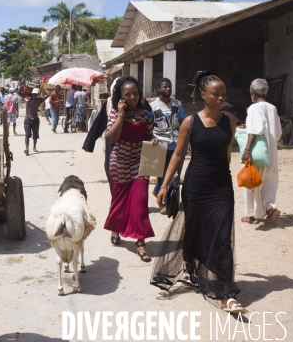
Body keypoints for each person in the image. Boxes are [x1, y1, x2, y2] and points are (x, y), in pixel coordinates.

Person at [153, 71, 246, 314]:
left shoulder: (230, 122)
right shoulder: (190, 122)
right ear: (203, 94)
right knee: (194, 232)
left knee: (223, 238)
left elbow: (226, 156)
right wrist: (165, 185)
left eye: (223, 94)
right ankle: (192, 271)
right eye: (216, 94)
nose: (221, 98)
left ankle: (227, 294)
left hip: (221, 188)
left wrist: (221, 179)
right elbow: (177, 154)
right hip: (195, 186)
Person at [104, 76, 156, 262]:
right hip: (119, 162)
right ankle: (115, 228)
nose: (133, 97)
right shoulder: (114, 113)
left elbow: (149, 134)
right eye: (128, 94)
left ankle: (140, 242)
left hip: (140, 162)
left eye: (135, 93)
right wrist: (120, 114)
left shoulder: (145, 114)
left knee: (140, 200)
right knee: (120, 201)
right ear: (121, 97)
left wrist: (153, 140)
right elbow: (112, 137)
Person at [239, 79, 282, 225]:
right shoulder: (272, 108)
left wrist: (246, 149)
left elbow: (254, 131)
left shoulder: (253, 108)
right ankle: (270, 207)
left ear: (252, 91)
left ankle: (252, 216)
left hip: (257, 152)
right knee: (268, 181)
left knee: (251, 180)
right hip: (271, 152)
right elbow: (277, 133)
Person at [150, 78, 186, 213]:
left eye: (169, 87)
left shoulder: (177, 104)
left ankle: (157, 192)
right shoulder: (153, 106)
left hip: (175, 143)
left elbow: (183, 122)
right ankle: (163, 203)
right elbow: (149, 125)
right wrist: (152, 137)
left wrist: (187, 141)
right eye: (165, 87)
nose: (168, 89)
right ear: (159, 89)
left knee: (171, 174)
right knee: (161, 174)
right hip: (159, 144)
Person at [23, 88, 51, 156]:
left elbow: (48, 94)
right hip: (28, 119)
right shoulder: (28, 99)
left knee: (35, 135)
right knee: (27, 134)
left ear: (37, 95)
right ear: (31, 94)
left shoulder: (39, 100)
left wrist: (43, 88)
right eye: (33, 94)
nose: (34, 96)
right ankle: (27, 149)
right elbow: (19, 92)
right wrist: (22, 84)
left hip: (35, 119)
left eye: (36, 94)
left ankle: (34, 147)